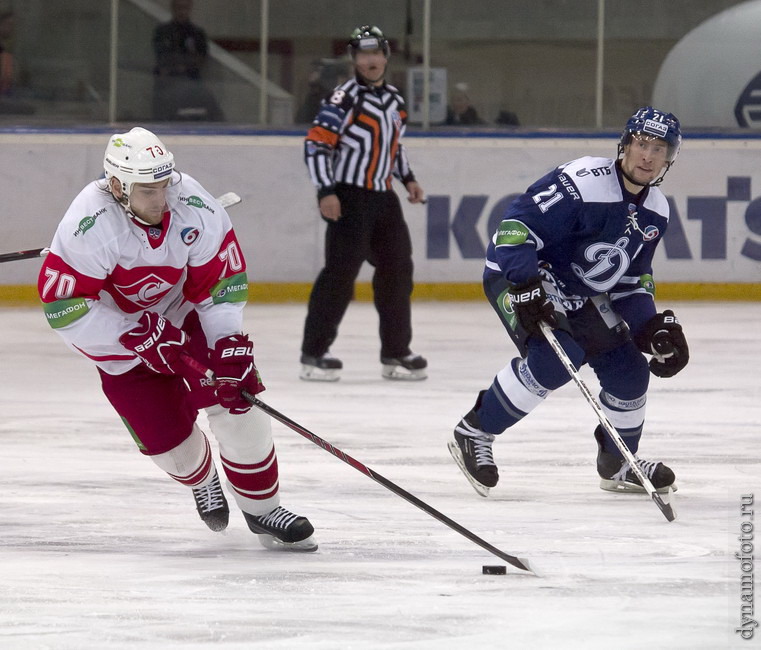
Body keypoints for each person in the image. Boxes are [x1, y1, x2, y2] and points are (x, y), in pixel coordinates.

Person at [38, 127, 316, 552]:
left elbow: (220, 283)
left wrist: (226, 345)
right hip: (121, 337)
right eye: (148, 190)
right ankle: (203, 481)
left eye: (164, 184)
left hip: (186, 315)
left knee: (240, 405)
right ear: (117, 186)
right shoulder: (87, 225)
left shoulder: (194, 204)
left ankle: (263, 510)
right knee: (169, 446)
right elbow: (66, 309)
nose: (161, 199)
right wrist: (132, 335)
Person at [448, 106, 690, 498]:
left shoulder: (657, 210)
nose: (648, 156)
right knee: (555, 358)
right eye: (642, 144)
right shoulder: (584, 180)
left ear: (669, 159)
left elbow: (629, 280)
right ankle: (474, 430)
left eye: (660, 149)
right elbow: (515, 227)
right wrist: (525, 283)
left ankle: (619, 463)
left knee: (630, 373)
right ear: (625, 144)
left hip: (579, 289)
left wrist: (651, 329)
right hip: (520, 272)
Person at [300, 25, 427, 382]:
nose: (371, 60)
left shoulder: (395, 101)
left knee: (398, 272)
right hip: (349, 196)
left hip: (383, 198)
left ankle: (396, 353)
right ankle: (313, 353)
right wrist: (326, 191)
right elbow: (316, 145)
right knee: (340, 275)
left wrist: (409, 179)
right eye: (363, 54)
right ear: (354, 59)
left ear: (385, 56)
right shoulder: (344, 98)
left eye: (376, 53)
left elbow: (393, 148)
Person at [152, 0, 223, 121]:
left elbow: (201, 59)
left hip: (192, 83)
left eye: (185, 8)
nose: (182, 12)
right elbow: (162, 57)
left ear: (190, 8)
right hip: (168, 84)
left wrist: (185, 66)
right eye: (179, 8)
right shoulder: (163, 32)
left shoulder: (197, 33)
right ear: (173, 8)